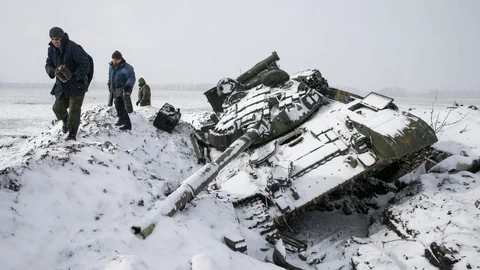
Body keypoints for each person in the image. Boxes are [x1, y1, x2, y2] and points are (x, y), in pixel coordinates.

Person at [45, 27, 93, 141]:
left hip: (77, 84)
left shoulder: (73, 48)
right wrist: (52, 71)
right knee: (57, 108)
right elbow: (48, 64)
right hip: (62, 84)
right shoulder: (51, 49)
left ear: (62, 38)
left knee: (74, 110)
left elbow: (85, 64)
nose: (55, 41)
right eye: (52, 39)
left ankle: (72, 134)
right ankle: (66, 121)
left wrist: (75, 77)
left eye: (57, 39)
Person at [108, 51, 136, 131]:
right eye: (113, 59)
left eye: (117, 59)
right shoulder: (111, 66)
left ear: (121, 59)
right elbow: (110, 76)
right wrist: (109, 84)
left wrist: (128, 86)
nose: (115, 61)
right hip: (114, 88)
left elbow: (131, 77)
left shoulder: (126, 67)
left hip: (123, 88)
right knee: (118, 105)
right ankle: (124, 121)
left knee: (119, 104)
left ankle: (124, 122)